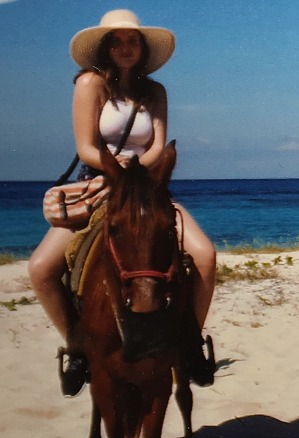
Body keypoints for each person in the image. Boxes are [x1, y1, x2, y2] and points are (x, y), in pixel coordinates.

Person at [27, 9, 216, 397]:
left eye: (133, 41)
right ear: (106, 47)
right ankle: (78, 347)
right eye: (117, 40)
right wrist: (117, 174)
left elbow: (159, 147)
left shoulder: (155, 92)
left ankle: (191, 343)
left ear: (142, 48)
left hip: (146, 186)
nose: (125, 47)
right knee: (41, 269)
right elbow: (86, 148)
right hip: (97, 184)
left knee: (205, 256)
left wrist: (133, 176)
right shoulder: (90, 84)